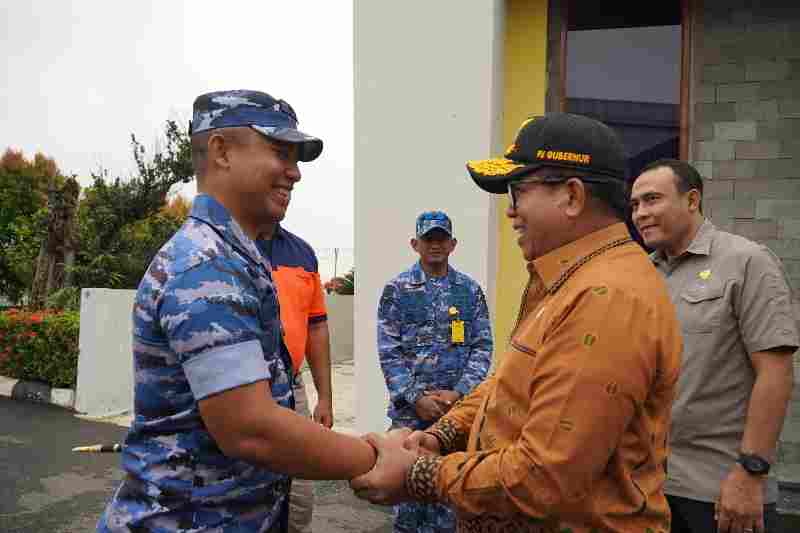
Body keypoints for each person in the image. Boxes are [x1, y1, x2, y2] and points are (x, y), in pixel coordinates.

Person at [352, 113, 684, 533]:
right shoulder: (567, 279)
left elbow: (545, 475)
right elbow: (509, 382)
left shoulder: (606, 297)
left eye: (518, 192)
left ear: (572, 197)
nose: (510, 212)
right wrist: (440, 434)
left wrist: (420, 473)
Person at [97, 90, 377, 533]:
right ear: (221, 151)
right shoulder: (205, 265)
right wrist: (373, 456)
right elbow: (251, 428)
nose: (295, 173)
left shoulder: (238, 256)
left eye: (296, 158)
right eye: (280, 152)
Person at [630, 159, 799, 533]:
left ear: (692, 201)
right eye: (635, 204)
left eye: (652, 200)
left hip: (721, 491)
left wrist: (751, 472)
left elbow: (776, 373)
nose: (641, 213)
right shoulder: (642, 275)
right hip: (649, 488)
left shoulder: (745, 262)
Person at [377, 210, 493, 532]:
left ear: (453, 244)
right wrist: (416, 398)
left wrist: (459, 394)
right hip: (410, 417)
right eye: (429, 238)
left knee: (450, 500)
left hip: (455, 418)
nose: (435, 245)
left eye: (442, 238)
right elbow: (389, 353)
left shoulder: (469, 291)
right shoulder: (397, 291)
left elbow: (482, 347)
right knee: (408, 503)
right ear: (415, 243)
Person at [258, 186, 334, 533]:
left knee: (299, 496)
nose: (285, 191)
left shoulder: (302, 254)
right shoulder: (224, 248)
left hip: (292, 386)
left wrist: (326, 397)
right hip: (245, 387)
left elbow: (316, 328)